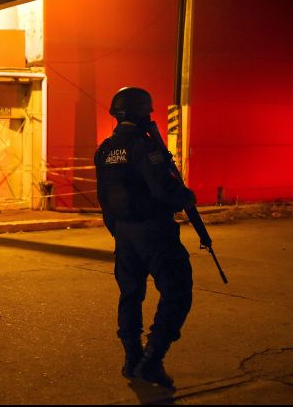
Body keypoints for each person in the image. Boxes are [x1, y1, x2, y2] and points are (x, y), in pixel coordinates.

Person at [94, 87, 196, 390]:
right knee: (178, 291)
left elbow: (103, 199)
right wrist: (185, 197)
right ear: (141, 112)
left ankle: (131, 358)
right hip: (154, 231)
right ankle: (152, 359)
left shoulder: (105, 149)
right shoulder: (144, 147)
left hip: (124, 233)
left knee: (130, 294)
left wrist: (119, 230)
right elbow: (164, 190)